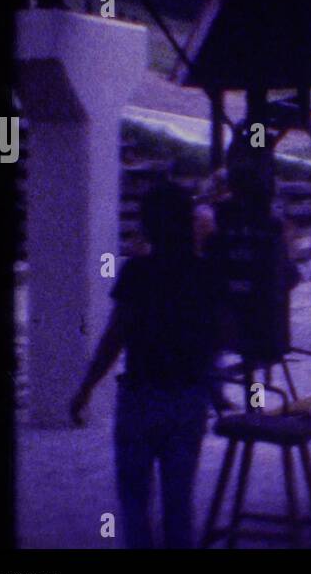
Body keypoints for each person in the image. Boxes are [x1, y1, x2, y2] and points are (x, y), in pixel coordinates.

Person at [69, 180, 228, 549]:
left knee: (134, 500)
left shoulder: (137, 273)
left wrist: (86, 387)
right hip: (188, 398)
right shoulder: (205, 274)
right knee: (178, 503)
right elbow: (222, 337)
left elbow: (114, 337)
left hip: (140, 396)